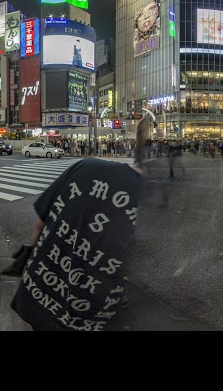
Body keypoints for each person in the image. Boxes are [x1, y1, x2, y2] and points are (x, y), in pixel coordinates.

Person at [9, 114, 152, 331]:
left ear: (135, 150)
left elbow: (40, 224)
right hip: (92, 316)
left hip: (39, 296)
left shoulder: (85, 167)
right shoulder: (148, 204)